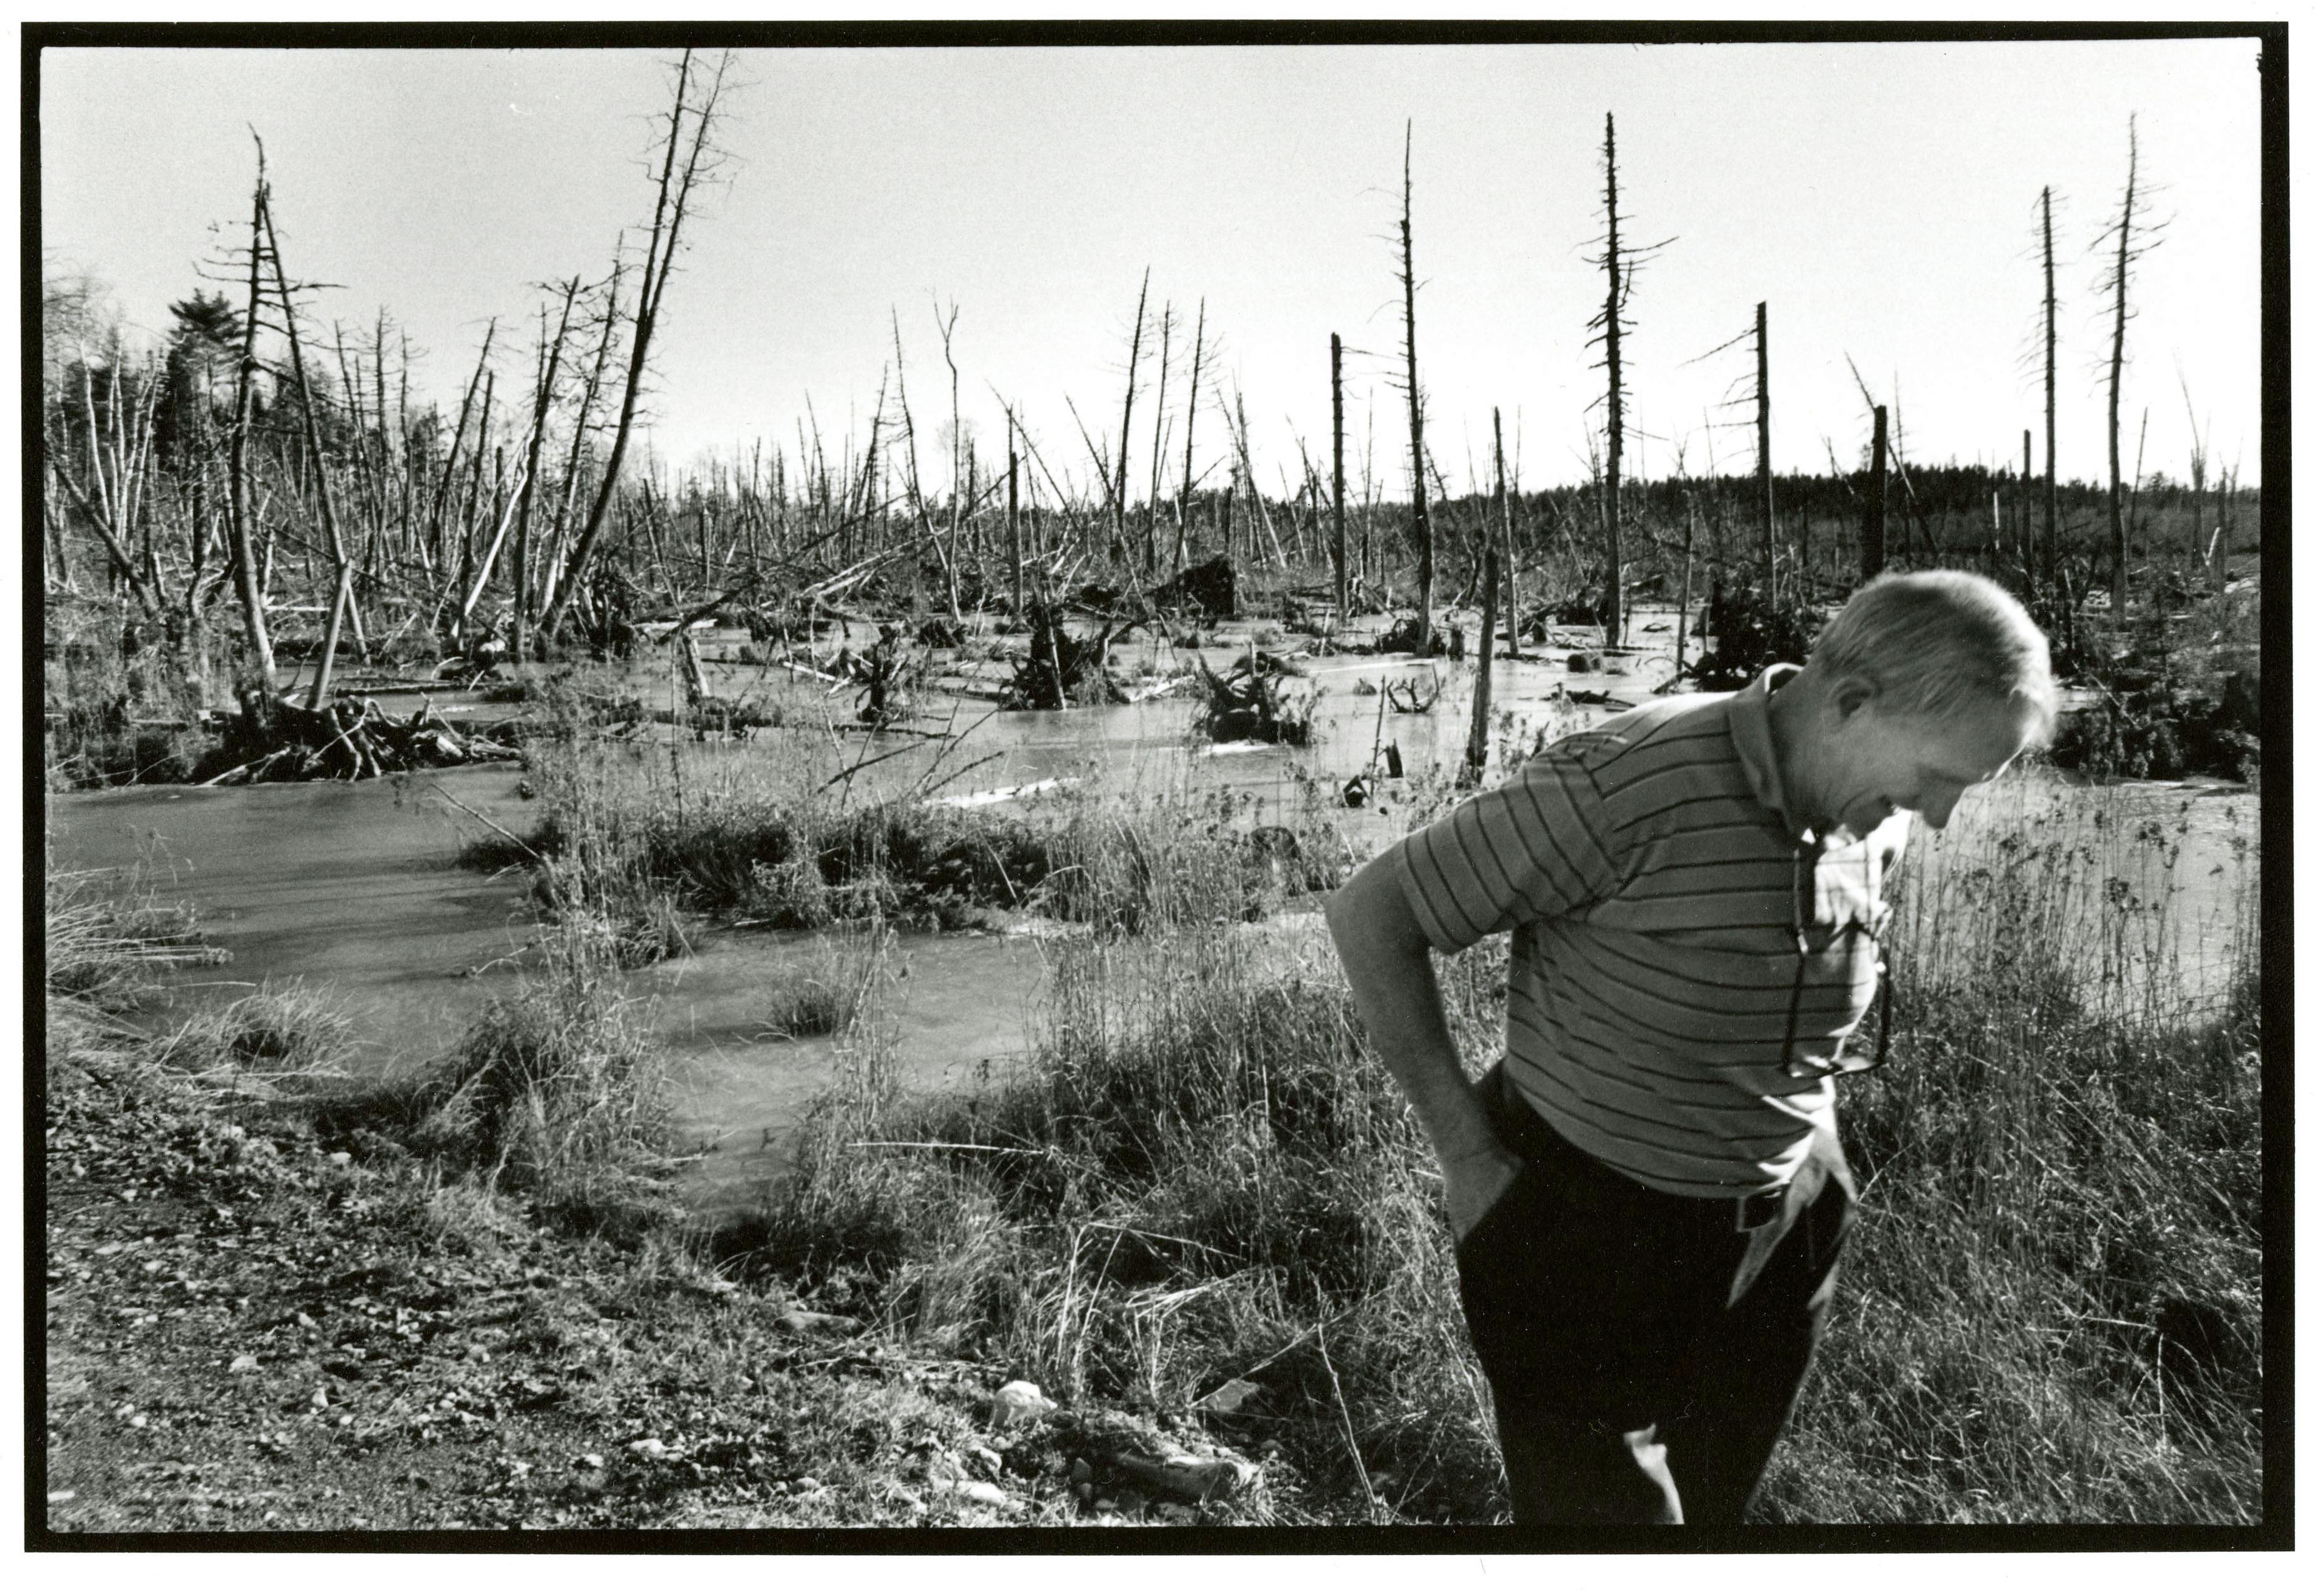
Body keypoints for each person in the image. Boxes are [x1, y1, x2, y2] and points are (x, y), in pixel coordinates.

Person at [1324, 570, 2056, 1525]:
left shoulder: (1868, 804)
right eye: (1939, 778)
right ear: (1849, 703)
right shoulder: (1627, 782)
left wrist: (1816, 1167)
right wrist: (1468, 1158)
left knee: (1712, 1518)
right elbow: (1372, 913)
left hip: (1783, 1228)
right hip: (1587, 1229)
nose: (1942, 813)